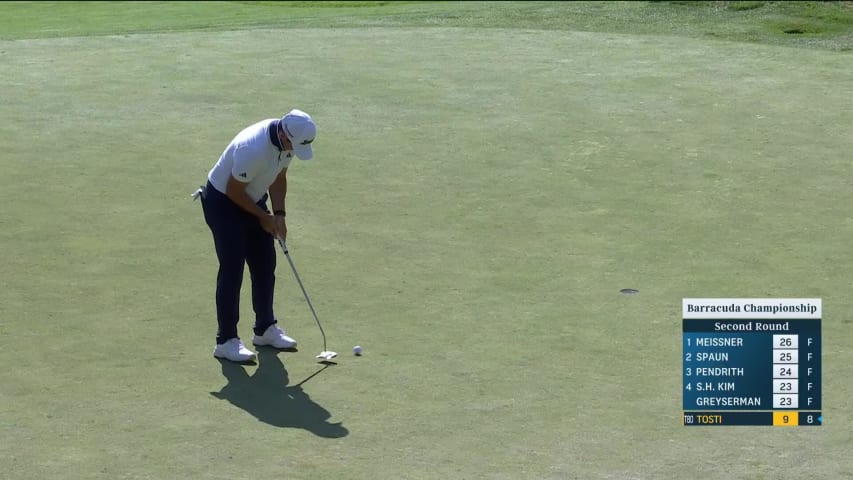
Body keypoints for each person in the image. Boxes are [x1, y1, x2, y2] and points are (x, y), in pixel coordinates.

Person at [195, 109, 317, 362]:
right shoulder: (254, 148)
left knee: (264, 263)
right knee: (232, 268)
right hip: (223, 202)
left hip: (250, 197)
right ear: (283, 134)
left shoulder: (288, 141)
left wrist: (279, 214)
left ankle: (264, 329)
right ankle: (226, 341)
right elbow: (233, 190)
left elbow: (279, 177)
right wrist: (264, 217)